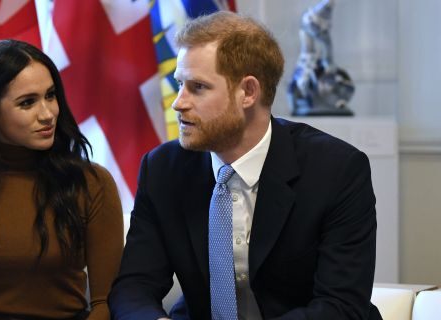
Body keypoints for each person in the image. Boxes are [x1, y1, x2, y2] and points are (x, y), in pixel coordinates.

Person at [109, 11, 381, 320]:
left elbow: (340, 307)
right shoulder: (163, 169)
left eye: (198, 87)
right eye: (179, 84)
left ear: (248, 92)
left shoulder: (337, 170)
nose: (178, 102)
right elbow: (134, 287)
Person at [0, 39, 124, 320]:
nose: (48, 114)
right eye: (28, 102)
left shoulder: (92, 181)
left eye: (50, 96)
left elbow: (105, 302)